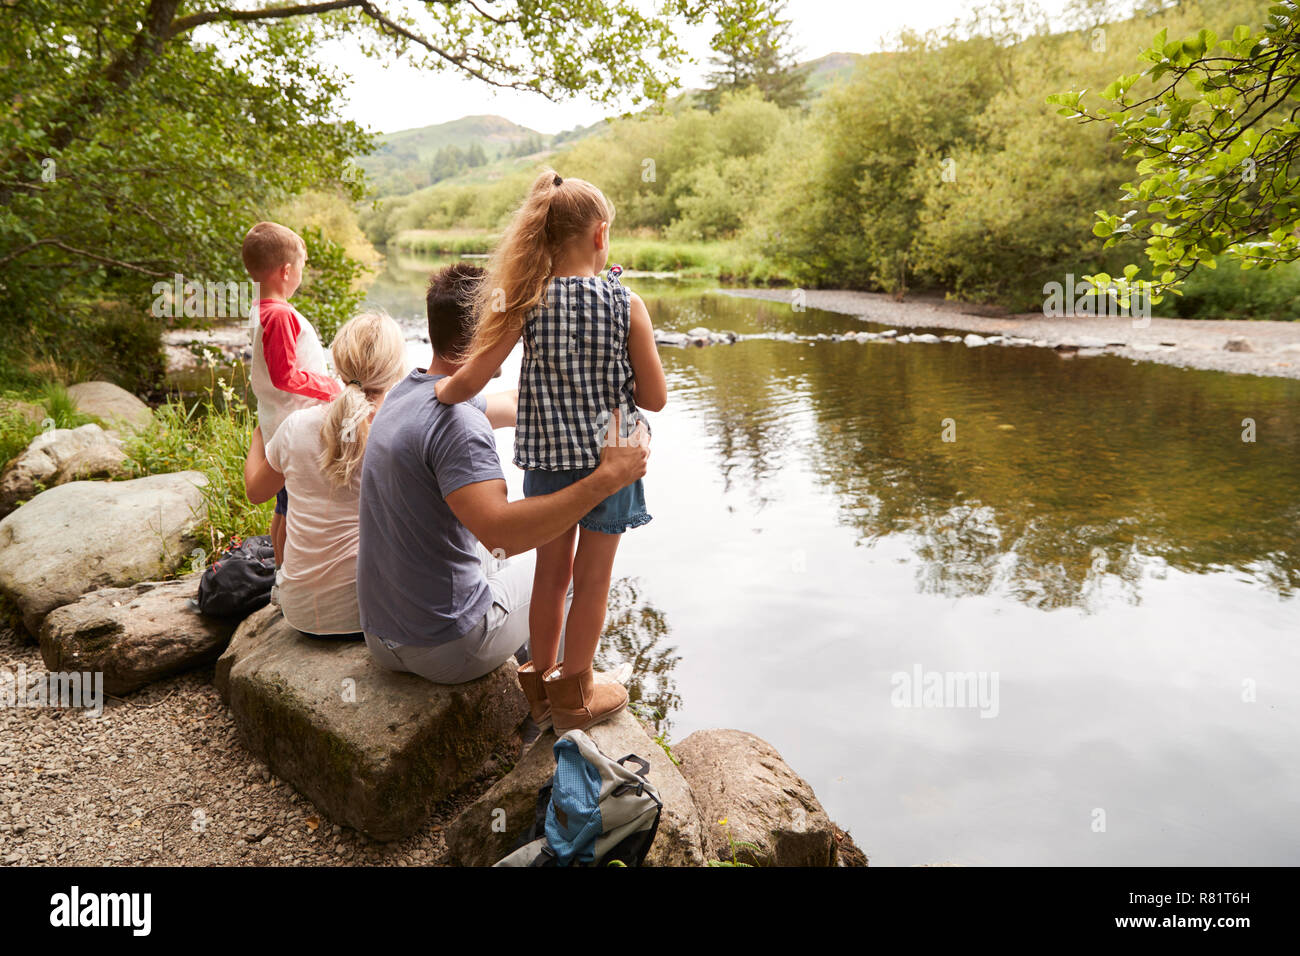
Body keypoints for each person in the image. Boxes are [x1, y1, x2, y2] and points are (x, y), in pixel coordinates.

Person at [356, 262, 651, 731]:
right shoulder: (460, 428)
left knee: (504, 560)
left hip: (382, 636)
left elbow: (508, 403)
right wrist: (607, 477)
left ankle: (542, 678)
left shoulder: (406, 392)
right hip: (445, 648)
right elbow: (505, 536)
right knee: (567, 572)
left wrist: (568, 393)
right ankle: (560, 698)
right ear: (492, 329)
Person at [432, 169, 667, 732]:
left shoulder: (525, 300)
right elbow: (655, 398)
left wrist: (438, 392)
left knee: (550, 577)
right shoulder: (625, 302)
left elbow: (469, 381)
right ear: (600, 234)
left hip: (546, 462)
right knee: (592, 584)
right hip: (613, 458)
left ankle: (540, 687)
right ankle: (576, 695)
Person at [243, 311, 407, 638]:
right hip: (368, 612)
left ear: (337, 363)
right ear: (397, 371)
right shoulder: (399, 433)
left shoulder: (295, 427)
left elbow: (256, 492)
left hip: (299, 610)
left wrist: (258, 438)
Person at [241, 220, 341, 565]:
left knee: (285, 505)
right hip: (291, 424)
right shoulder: (281, 314)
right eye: (301, 267)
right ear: (286, 270)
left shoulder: (263, 309)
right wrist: (332, 388)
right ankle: (285, 574)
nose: (301, 273)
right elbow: (285, 376)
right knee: (291, 507)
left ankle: (282, 573)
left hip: (278, 421)